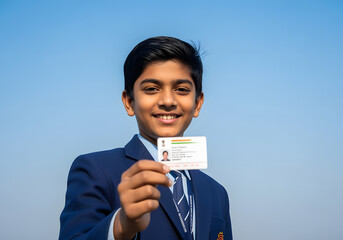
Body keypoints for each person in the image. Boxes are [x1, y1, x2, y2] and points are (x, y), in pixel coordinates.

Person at [59, 36, 233, 240]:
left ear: (197, 103)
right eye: (151, 89)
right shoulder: (94, 169)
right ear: (129, 102)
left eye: (181, 90)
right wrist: (122, 225)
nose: (168, 101)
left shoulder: (217, 192)